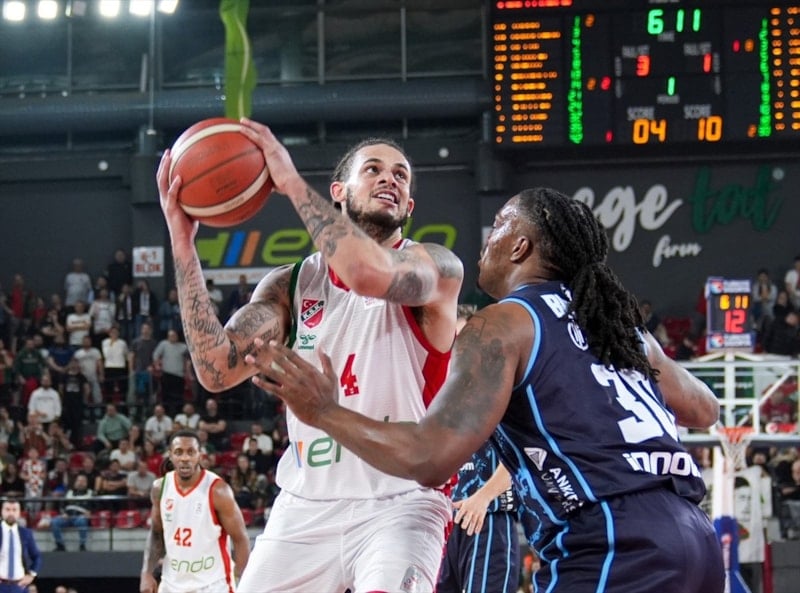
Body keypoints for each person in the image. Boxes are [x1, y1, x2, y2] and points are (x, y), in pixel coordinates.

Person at [249, 188, 726, 593]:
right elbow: (705, 408)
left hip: (611, 543)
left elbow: (429, 460)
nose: (487, 237)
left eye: (499, 225)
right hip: (695, 535)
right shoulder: (621, 330)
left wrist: (324, 410)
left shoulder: (502, 324)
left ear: (520, 247)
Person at [156, 120, 463, 592]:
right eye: (373, 169)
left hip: (402, 501)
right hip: (306, 506)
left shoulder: (436, 267)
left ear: (409, 207)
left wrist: (290, 181)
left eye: (401, 175)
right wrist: (182, 242)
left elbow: (365, 274)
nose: (390, 179)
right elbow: (216, 369)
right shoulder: (291, 284)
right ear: (339, 192)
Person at [140, 430, 250, 593]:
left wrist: (241, 579)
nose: (185, 458)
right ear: (170, 455)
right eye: (179, 452)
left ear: (199, 455)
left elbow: (240, 538)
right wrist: (147, 572)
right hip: (172, 584)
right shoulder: (160, 488)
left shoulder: (218, 490)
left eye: (191, 452)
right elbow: (156, 533)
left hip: (213, 585)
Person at [0, 498, 41, 591]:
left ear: (19, 513)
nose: (11, 513)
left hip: (19, 586)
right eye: (7, 509)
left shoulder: (26, 533)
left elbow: (37, 556)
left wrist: (31, 575)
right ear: (1, 511)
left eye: (14, 510)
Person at [49, 473, 93, 552]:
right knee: (55, 521)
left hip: (80, 516)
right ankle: (60, 545)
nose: (80, 483)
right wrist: (63, 513)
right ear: (75, 482)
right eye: (79, 481)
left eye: (83, 481)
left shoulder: (91, 493)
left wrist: (90, 512)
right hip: (67, 516)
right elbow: (62, 505)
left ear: (86, 483)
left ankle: (82, 545)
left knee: (82, 521)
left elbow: (95, 506)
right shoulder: (68, 492)